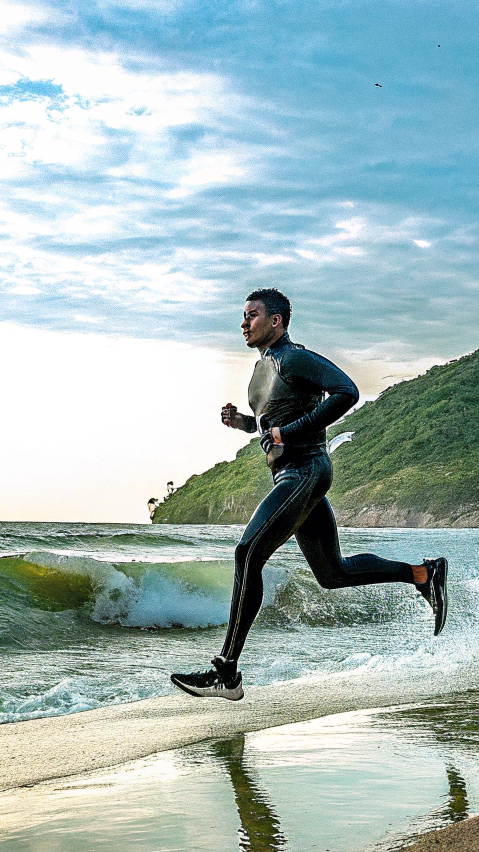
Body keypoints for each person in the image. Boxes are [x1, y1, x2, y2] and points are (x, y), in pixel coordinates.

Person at [171, 288, 448, 701]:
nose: (243, 324)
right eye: (243, 317)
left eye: (251, 316)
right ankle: (423, 574)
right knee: (332, 574)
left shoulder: (294, 357)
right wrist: (246, 424)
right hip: (293, 475)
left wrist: (292, 432)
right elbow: (275, 423)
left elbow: (347, 392)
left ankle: (226, 673)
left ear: (276, 320)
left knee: (247, 554)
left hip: (304, 471)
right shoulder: (265, 367)